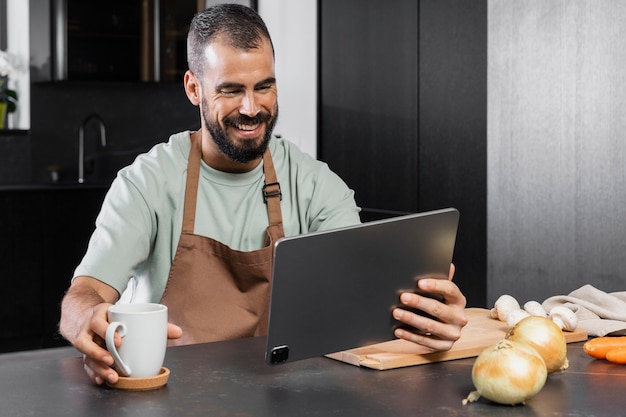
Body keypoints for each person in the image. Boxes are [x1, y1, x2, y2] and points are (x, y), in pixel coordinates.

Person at [59, 4, 468, 385]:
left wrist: (425, 322)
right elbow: (83, 296)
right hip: (173, 396)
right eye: (231, 90)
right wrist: (87, 321)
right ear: (194, 88)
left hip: (285, 394)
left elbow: (361, 312)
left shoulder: (314, 186)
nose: (252, 108)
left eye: (264, 86)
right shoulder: (147, 183)